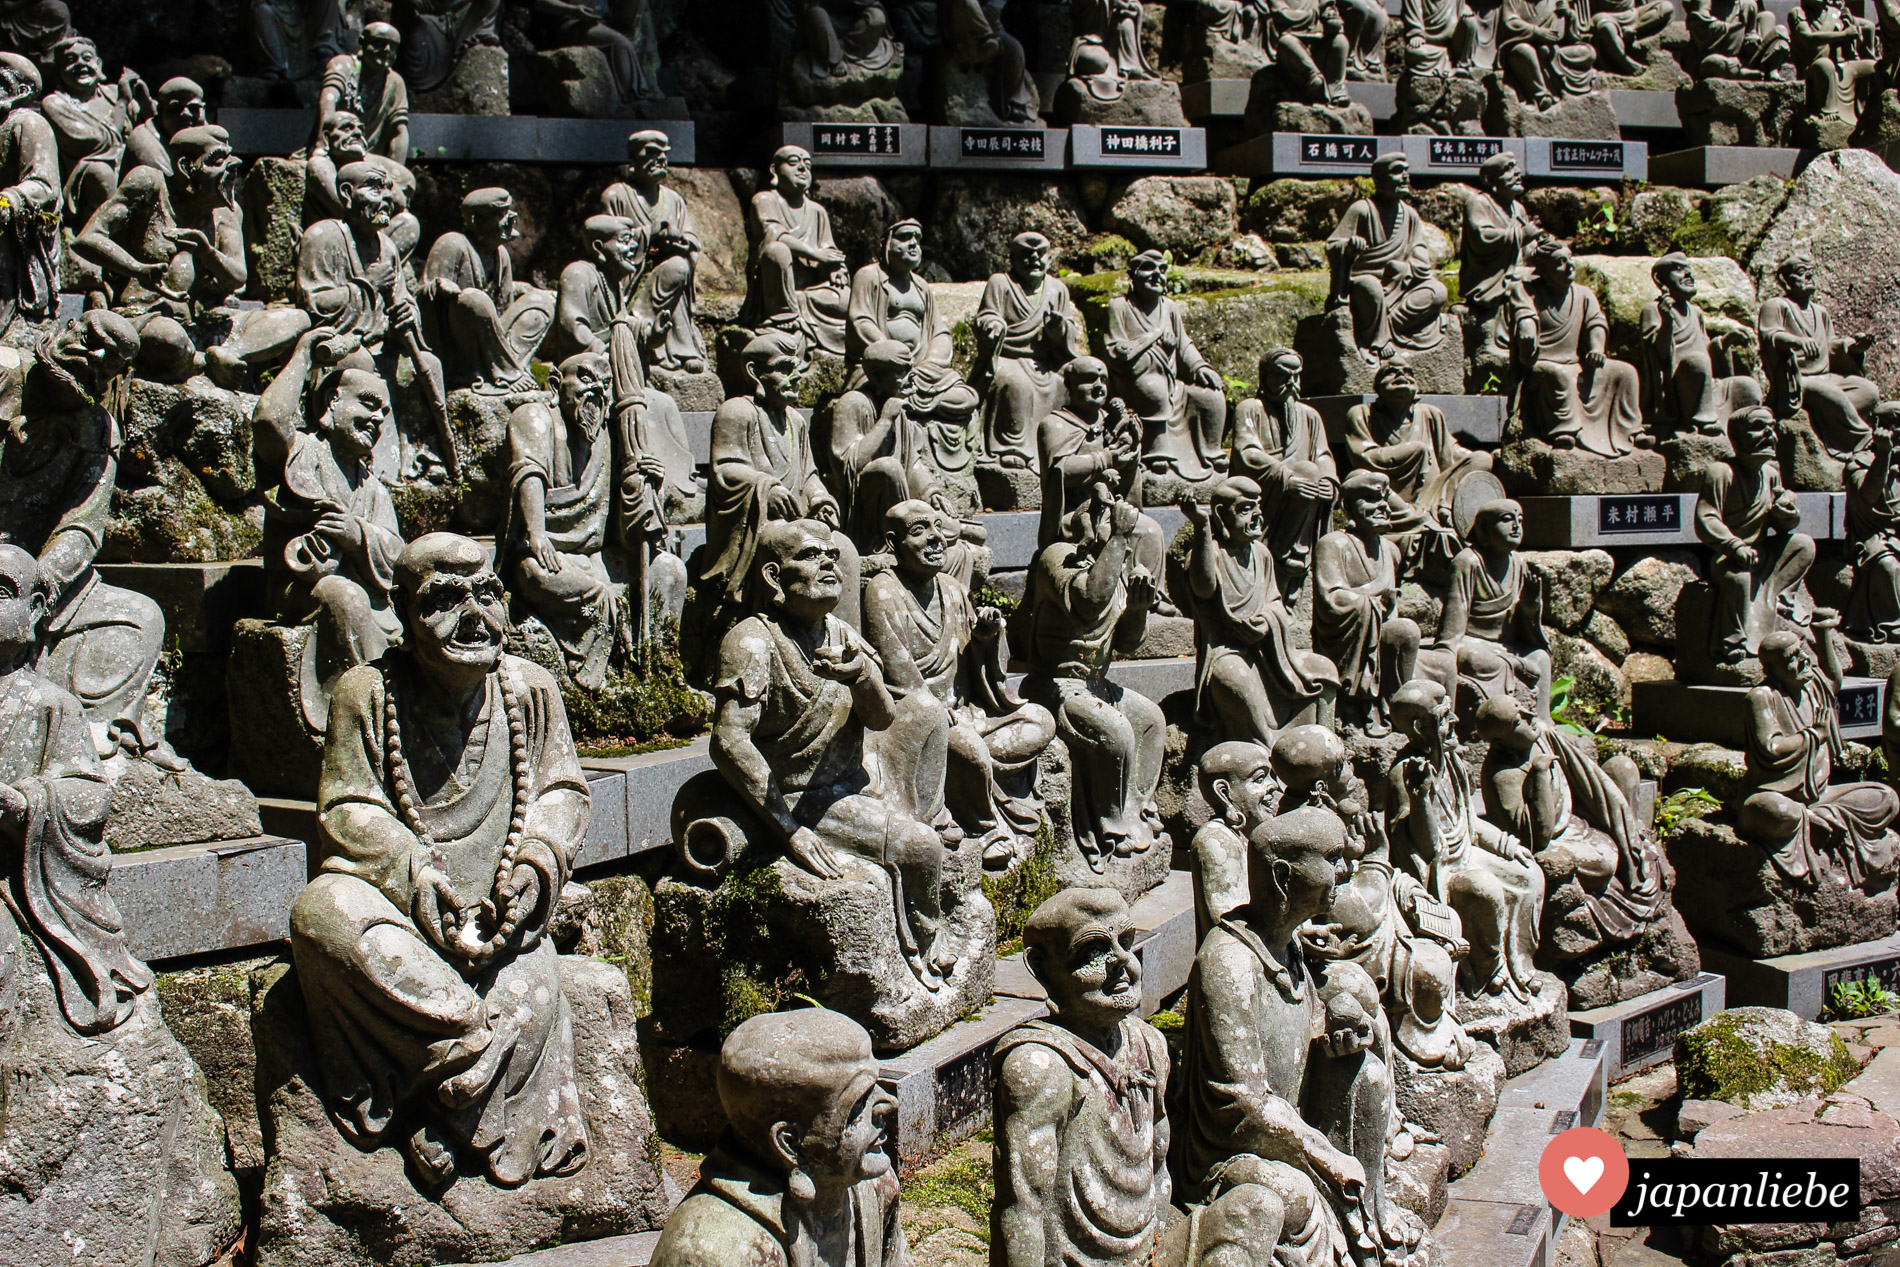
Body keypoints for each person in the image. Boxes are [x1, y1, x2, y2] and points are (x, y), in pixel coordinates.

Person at [290, 533, 591, 1185]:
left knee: (532, 982)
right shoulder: (366, 692)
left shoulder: (530, 689)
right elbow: (348, 807)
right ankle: (477, 1053)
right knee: (320, 912)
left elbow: (563, 789)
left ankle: (452, 1107)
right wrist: (416, 873)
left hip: (505, 926)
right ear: (401, 610)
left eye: (488, 593)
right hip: (411, 921)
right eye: (446, 599)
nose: (475, 614)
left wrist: (536, 864)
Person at [709, 518, 959, 987]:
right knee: (921, 847)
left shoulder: (839, 631)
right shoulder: (752, 642)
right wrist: (790, 831)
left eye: (831, 554)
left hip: (858, 770)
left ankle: (916, 817)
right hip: (811, 796)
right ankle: (928, 940)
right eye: (809, 555)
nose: (828, 562)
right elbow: (729, 741)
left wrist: (861, 676)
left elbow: (883, 718)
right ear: (772, 577)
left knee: (925, 709)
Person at [1177, 801, 1426, 1264]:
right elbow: (1244, 1103)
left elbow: (1302, 1036)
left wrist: (1338, 1036)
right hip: (1234, 1148)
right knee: (1294, 1196)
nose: (1345, 869)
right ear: (1283, 877)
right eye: (1331, 859)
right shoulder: (1227, 962)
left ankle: (1370, 1218)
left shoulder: (1287, 944)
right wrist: (1325, 1154)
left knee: (1365, 1076)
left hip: (1290, 1119)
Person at [995, 888, 1298, 1267]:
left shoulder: (1149, 1043)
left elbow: (1158, 1170)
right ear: (1042, 968)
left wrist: (1160, 1238)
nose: (1123, 963)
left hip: (1147, 1251)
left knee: (1260, 1206)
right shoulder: (1041, 1067)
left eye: (1126, 942)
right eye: (1093, 952)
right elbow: (1023, 1207)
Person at [0, 542, 150, 1037]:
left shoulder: (49, 704)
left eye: (1, 593)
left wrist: (26, 801)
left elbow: (90, 792)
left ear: (37, 610)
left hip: (16, 878)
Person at [0, 311, 167, 752]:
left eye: (106, 360)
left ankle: (84, 732)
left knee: (141, 617)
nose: (90, 355)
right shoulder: (4, 373)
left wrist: (42, 583)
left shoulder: (98, 428)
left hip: (39, 585)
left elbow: (82, 528)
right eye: (88, 338)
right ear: (66, 326)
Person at [861, 500, 1056, 867]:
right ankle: (986, 828)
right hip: (926, 722)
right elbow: (902, 680)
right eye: (920, 531)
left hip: (970, 710)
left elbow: (976, 663)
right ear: (893, 542)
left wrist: (986, 637)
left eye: (938, 528)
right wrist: (937, 713)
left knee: (1041, 720)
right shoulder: (882, 592)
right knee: (971, 752)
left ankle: (966, 778)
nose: (937, 539)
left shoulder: (951, 588)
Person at [648, 1010, 905, 1267]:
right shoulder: (712, 1254)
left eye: (877, 1084)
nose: (887, 1103)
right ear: (791, 1144)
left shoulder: (873, 1188)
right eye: (859, 1102)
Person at [252, 326, 406, 741]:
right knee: (345, 596)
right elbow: (268, 420)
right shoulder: (303, 452)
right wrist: (304, 353)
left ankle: (410, 709)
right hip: (301, 590)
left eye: (384, 412)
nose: (377, 418)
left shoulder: (371, 487)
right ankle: (367, 717)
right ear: (332, 401)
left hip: (375, 598)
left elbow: (399, 555)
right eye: (368, 404)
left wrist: (357, 535)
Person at [73, 125, 310, 382]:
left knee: (295, 319)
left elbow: (237, 277)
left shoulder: (227, 212)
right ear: (187, 167)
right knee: (169, 339)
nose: (230, 169)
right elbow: (86, 239)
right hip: (148, 316)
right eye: (218, 160)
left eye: (231, 159)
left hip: (203, 324)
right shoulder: (150, 185)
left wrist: (207, 251)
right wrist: (137, 268)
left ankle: (225, 355)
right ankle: (202, 363)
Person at [1015, 489, 1168, 868]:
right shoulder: (1057, 558)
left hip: (1096, 683)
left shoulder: (1113, 570)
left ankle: (1136, 805)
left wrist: (1136, 609)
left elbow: (1129, 643)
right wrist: (1117, 539)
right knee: (1115, 733)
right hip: (1056, 685)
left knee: (1150, 721)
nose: (1115, 526)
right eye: (1105, 520)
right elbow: (1088, 602)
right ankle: (1110, 823)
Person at [501, 351, 670, 689]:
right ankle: (592, 680)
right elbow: (528, 472)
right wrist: (537, 534)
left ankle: (661, 676)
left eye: (606, 384)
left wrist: (650, 487)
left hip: (600, 556)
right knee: (545, 576)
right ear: (554, 384)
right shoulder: (536, 418)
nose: (598, 391)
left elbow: (628, 523)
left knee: (671, 572)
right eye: (587, 379)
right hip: (548, 553)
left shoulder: (611, 434)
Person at [693, 331, 860, 667]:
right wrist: (766, 488)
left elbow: (808, 474)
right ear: (755, 372)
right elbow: (725, 469)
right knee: (788, 548)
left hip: (799, 524)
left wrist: (820, 497)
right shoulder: (737, 412)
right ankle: (782, 649)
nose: (794, 377)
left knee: (845, 548)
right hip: (759, 525)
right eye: (784, 369)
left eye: (795, 368)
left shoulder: (796, 422)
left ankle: (847, 648)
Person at [1386, 679, 1545, 1001]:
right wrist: (1420, 799)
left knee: (1530, 874)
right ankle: (1490, 968)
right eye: (1446, 717)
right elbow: (1427, 851)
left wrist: (1505, 844)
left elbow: (1468, 822)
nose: (1457, 720)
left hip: (1466, 852)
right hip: (1440, 871)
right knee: (1482, 889)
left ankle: (1520, 963)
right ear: (1421, 726)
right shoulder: (1404, 774)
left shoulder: (1453, 761)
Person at [1475, 694, 1665, 954]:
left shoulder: (1540, 734)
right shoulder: (1502, 776)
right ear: (1501, 740)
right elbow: (1536, 838)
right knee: (1604, 862)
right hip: (1553, 843)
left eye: (1525, 710)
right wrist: (1540, 775)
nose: (1531, 717)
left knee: (1622, 768)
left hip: (1579, 827)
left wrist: (1622, 830)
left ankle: (1627, 860)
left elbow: (1589, 779)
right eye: (1519, 720)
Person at [1180, 477, 1339, 748]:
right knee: (1233, 679)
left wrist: (1266, 621)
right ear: (1221, 516)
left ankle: (1326, 744)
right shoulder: (1211, 554)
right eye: (1245, 510)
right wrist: (1202, 528)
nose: (1256, 516)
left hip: (1269, 653)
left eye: (1258, 508)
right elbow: (1204, 588)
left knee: (1323, 668)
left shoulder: (1262, 554)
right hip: (1226, 652)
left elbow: (1276, 602)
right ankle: (1269, 750)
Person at [1741, 627, 1899, 891]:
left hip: (1820, 795)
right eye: (1793, 657)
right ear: (1772, 670)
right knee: (1773, 812)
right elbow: (1772, 747)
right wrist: (1816, 734)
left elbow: (1834, 681)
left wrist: (1824, 634)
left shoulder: (1811, 685)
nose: (1804, 659)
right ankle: (1815, 821)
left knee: (1887, 798)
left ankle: (1819, 819)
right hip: (1778, 794)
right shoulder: (1762, 697)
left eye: (1802, 650)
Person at [1341, 361, 1490, 575]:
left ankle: (1444, 508)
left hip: (1434, 494)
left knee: (1482, 459)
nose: (1401, 375)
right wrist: (1413, 450)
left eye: (1408, 372)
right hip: (1390, 497)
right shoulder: (1361, 414)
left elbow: (1450, 453)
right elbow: (1363, 456)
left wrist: (1476, 458)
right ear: (1377, 388)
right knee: (1360, 477)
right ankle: (1420, 519)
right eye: (1391, 372)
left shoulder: (1430, 414)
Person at [1694, 407, 1815, 666]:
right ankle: (1734, 641)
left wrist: (1787, 512)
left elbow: (1782, 525)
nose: (1769, 433)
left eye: (1771, 426)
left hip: (1762, 553)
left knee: (1804, 545)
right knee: (1738, 581)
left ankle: (1781, 597)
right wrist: (1735, 546)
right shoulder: (1721, 472)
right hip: (1731, 558)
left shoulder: (1770, 474)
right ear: (1736, 438)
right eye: (1759, 426)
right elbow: (1707, 518)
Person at [1037, 357, 1170, 590]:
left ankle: (1149, 597)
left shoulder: (1114, 423)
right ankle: (1110, 599)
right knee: (1106, 533)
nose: (1098, 386)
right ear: (1068, 384)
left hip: (1111, 507)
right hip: (1076, 515)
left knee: (1151, 530)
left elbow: (1127, 485)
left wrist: (1131, 455)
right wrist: (1106, 458)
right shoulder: (1054, 425)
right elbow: (1060, 471)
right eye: (1089, 379)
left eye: (1103, 380)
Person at [1511, 238, 1646, 457]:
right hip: (1544, 364)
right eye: (1560, 262)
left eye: (1570, 259)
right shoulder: (1528, 292)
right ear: (1543, 270)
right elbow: (1524, 314)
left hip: (1577, 363)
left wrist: (1596, 348)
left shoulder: (1583, 294)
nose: (1569, 266)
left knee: (1625, 372)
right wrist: (1526, 327)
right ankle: (1564, 429)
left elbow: (1596, 323)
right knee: (1559, 376)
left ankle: (1630, 429)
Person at [1104, 248, 1227, 480]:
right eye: (1149, 269)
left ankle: (1211, 452)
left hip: (1172, 381)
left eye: (1162, 270)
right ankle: (1156, 452)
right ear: (1133, 275)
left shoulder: (1169, 307)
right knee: (1153, 389)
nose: (1156, 275)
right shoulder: (1119, 306)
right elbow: (1115, 349)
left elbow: (1185, 346)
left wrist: (1200, 366)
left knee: (1211, 396)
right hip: (1135, 381)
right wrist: (1152, 340)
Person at [1427, 498, 1553, 721]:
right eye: (1506, 520)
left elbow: (1521, 626)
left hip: (1506, 644)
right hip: (1473, 641)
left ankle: (1542, 722)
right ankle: (1499, 718)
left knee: (1541, 658)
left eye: (1520, 520)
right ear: (1484, 529)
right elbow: (1457, 613)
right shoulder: (1468, 561)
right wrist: (1447, 650)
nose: (1516, 526)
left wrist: (1530, 607)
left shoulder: (1518, 563)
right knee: (1481, 661)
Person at [1316, 471, 1421, 735]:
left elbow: (1392, 613)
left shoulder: (1390, 550)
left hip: (1380, 631)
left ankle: (1395, 708)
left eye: (1384, 499)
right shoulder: (1334, 544)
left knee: (1405, 630)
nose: (1383, 507)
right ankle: (1361, 706)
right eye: (1371, 500)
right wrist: (1374, 600)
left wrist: (1388, 607)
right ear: (1348, 506)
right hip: (1349, 640)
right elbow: (1332, 600)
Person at [420, 187, 555, 393]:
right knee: (473, 299)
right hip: (460, 346)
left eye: (510, 212)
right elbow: (422, 298)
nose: (511, 219)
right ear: (475, 220)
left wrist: (521, 290)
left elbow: (504, 307)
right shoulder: (452, 243)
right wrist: (439, 288)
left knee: (542, 300)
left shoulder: (501, 255)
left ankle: (512, 367)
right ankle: (502, 372)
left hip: (493, 340)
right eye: (501, 214)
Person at [846, 218, 978, 429]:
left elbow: (940, 333)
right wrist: (891, 354)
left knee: (966, 398)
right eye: (905, 237)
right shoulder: (869, 276)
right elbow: (860, 320)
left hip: (922, 373)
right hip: (884, 370)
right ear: (888, 243)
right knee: (870, 398)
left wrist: (931, 362)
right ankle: (905, 400)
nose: (913, 244)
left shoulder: (922, 286)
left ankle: (914, 399)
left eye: (917, 238)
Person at [976, 231, 1087, 470]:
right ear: (1013, 259)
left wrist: (1059, 330)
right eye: (1026, 254)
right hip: (1009, 356)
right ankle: (1012, 447)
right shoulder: (1001, 283)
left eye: (1040, 254)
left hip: (1045, 361)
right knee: (1016, 385)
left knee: (1068, 384)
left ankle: (1069, 444)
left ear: (1049, 259)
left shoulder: (1057, 289)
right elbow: (987, 315)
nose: (1034, 259)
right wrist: (993, 325)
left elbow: (1068, 331)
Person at [600, 130, 708, 375]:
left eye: (663, 154)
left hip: (668, 268)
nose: (660, 159)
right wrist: (651, 233)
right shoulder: (617, 195)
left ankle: (682, 349)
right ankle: (640, 332)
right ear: (633, 159)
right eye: (651, 154)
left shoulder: (674, 200)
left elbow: (692, 238)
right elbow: (608, 241)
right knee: (675, 268)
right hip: (633, 277)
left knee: (679, 266)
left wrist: (680, 241)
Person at [1229, 348, 1337, 591]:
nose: (1291, 383)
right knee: (1305, 472)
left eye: (1296, 376)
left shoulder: (1310, 416)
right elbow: (1246, 453)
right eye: (1282, 375)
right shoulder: (1250, 409)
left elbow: (1323, 455)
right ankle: (1282, 555)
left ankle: (1296, 557)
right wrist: (1286, 477)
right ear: (1265, 376)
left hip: (1304, 495)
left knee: (1311, 472)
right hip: (1266, 493)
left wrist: (1329, 481)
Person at [1323, 154, 1450, 360]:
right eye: (1398, 171)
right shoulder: (1362, 209)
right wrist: (1350, 246)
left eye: (1406, 171)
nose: (1405, 177)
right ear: (1380, 179)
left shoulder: (1410, 215)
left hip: (1401, 284)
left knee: (1438, 291)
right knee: (1370, 287)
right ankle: (1380, 340)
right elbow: (1332, 245)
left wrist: (1406, 267)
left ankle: (1390, 324)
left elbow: (1420, 255)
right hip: (1366, 282)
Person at [1759, 253, 1879, 460]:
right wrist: (1796, 341)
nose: (1808, 277)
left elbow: (1832, 345)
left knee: (1869, 391)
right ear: (1785, 281)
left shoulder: (1820, 311)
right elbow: (1769, 334)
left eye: (1810, 273)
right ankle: (1863, 440)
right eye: (1800, 273)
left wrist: (1853, 347)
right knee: (1832, 395)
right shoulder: (1776, 305)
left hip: (1826, 376)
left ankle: (1830, 418)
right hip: (1797, 381)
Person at [1639, 251, 1762, 437]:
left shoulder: (1695, 312)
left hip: (1706, 383)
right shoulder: (1652, 310)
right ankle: (1703, 421)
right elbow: (1659, 355)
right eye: (1679, 270)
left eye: (1688, 270)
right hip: (1678, 387)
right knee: (1697, 362)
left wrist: (1725, 341)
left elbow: (1708, 351)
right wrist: (1667, 322)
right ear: (1660, 279)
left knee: (1746, 386)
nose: (1688, 275)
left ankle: (1746, 426)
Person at [742, 145, 848, 356]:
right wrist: (816, 254)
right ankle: (784, 316)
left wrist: (837, 269)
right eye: (793, 163)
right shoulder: (765, 200)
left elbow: (829, 249)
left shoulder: (817, 211)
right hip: (777, 290)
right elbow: (774, 233)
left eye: (807, 165)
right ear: (774, 170)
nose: (802, 169)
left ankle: (797, 307)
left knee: (846, 299)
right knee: (776, 251)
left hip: (811, 291)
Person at [40, 34, 148, 225]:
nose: (81, 64)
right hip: (86, 180)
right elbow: (97, 144)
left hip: (127, 164)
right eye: (70, 61)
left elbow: (148, 127)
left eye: (87, 58)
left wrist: (144, 99)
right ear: (59, 72)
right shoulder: (55, 104)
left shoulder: (112, 92)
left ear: (98, 63)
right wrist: (122, 103)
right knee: (100, 172)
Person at [1189, 740, 1279, 942]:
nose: (1273, 785)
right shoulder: (1215, 841)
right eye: (1259, 779)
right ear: (1224, 793)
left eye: (1270, 777)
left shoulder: (1250, 837)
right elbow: (1230, 926)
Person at [304, 109, 420, 264]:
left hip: (369, 237)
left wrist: (369, 164)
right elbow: (344, 208)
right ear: (327, 137)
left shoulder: (370, 163)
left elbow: (400, 200)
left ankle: (378, 265)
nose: (357, 133)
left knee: (408, 222)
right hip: (337, 240)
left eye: (360, 129)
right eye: (347, 128)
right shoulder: (320, 164)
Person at [1460, 153, 1539, 370]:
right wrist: (1521, 235)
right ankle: (1517, 340)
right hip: (1489, 277)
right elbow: (1482, 237)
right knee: (1519, 284)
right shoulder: (1478, 202)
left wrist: (1539, 248)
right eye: (1508, 169)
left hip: (1515, 270)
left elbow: (1526, 251)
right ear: (1490, 181)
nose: (1517, 173)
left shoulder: (1518, 208)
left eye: (1516, 168)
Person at [0, 52, 58, 332]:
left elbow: (44, 184)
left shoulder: (28, 124)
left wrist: (10, 199)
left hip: (16, 229)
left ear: (20, 91)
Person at [549, 213, 643, 364]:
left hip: (608, 362)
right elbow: (573, 328)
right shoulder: (578, 273)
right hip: (583, 369)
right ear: (599, 248)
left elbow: (622, 323)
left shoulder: (612, 280)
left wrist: (649, 332)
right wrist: (605, 354)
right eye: (625, 240)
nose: (634, 246)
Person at [316, 20, 408, 165]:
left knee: (406, 179)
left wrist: (397, 169)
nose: (386, 50)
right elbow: (328, 101)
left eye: (393, 47)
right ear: (363, 43)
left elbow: (399, 131)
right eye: (379, 43)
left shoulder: (395, 82)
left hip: (370, 158)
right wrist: (322, 145)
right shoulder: (343, 65)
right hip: (338, 151)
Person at [1845, 407, 1900, 643]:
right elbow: (1868, 496)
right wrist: (1884, 455)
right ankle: (1891, 622)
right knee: (1888, 566)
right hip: (1872, 537)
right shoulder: (1859, 463)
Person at [1497, 0, 1598, 108]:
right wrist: (1536, 32)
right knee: (1522, 51)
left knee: (1588, 52)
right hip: (1527, 47)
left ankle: (1544, 59)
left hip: (1554, 52)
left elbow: (1570, 39)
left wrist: (1569, 15)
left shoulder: (1556, 1)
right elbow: (1509, 22)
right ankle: (1541, 95)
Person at [122, 75, 205, 176]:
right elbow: (173, 184)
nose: (186, 114)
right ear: (160, 109)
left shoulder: (205, 134)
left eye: (194, 108)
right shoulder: (143, 140)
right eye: (176, 108)